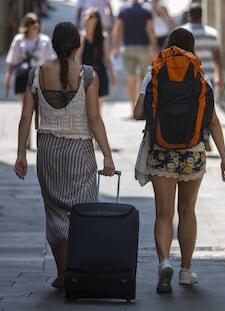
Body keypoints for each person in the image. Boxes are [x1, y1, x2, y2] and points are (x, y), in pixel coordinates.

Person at [14, 22, 116, 289]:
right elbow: (94, 118)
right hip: (79, 150)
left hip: (47, 150)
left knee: (55, 211)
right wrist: (107, 155)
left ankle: (63, 274)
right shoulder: (89, 75)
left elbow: (26, 117)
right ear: (78, 45)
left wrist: (21, 154)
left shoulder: (36, 74)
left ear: (53, 45)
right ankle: (78, 270)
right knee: (81, 210)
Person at [133, 27, 225, 294]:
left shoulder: (154, 72)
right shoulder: (200, 74)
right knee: (187, 210)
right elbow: (212, 120)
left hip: (160, 150)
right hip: (194, 150)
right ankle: (186, 270)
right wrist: (224, 157)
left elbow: (138, 112)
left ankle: (164, 262)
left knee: (164, 214)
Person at [5, 12, 56, 149]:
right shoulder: (19, 40)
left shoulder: (44, 40)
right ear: (26, 26)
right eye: (32, 23)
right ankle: (27, 141)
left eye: (37, 22)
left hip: (39, 77)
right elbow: (12, 61)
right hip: (22, 77)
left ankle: (42, 139)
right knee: (26, 110)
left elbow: (51, 62)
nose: (35, 25)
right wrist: (8, 77)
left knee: (40, 109)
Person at [112, 0, 158, 116]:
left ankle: (133, 108)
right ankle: (140, 108)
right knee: (142, 79)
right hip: (143, 47)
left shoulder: (123, 9)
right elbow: (151, 30)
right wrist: (154, 48)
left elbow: (117, 29)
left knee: (130, 79)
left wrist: (116, 47)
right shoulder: (146, 9)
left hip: (127, 47)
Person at [77, 7, 116, 110]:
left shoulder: (103, 37)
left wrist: (112, 75)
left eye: (90, 16)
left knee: (98, 106)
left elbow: (107, 57)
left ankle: (96, 125)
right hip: (85, 73)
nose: (87, 18)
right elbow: (78, 55)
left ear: (96, 19)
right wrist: (83, 39)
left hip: (99, 72)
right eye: (86, 16)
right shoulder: (82, 35)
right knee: (86, 106)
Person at [181, 3, 223, 92]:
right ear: (201, 16)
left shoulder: (182, 33)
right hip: (208, 77)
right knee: (206, 104)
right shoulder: (212, 34)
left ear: (189, 16)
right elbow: (217, 59)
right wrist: (219, 78)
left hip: (187, 77)